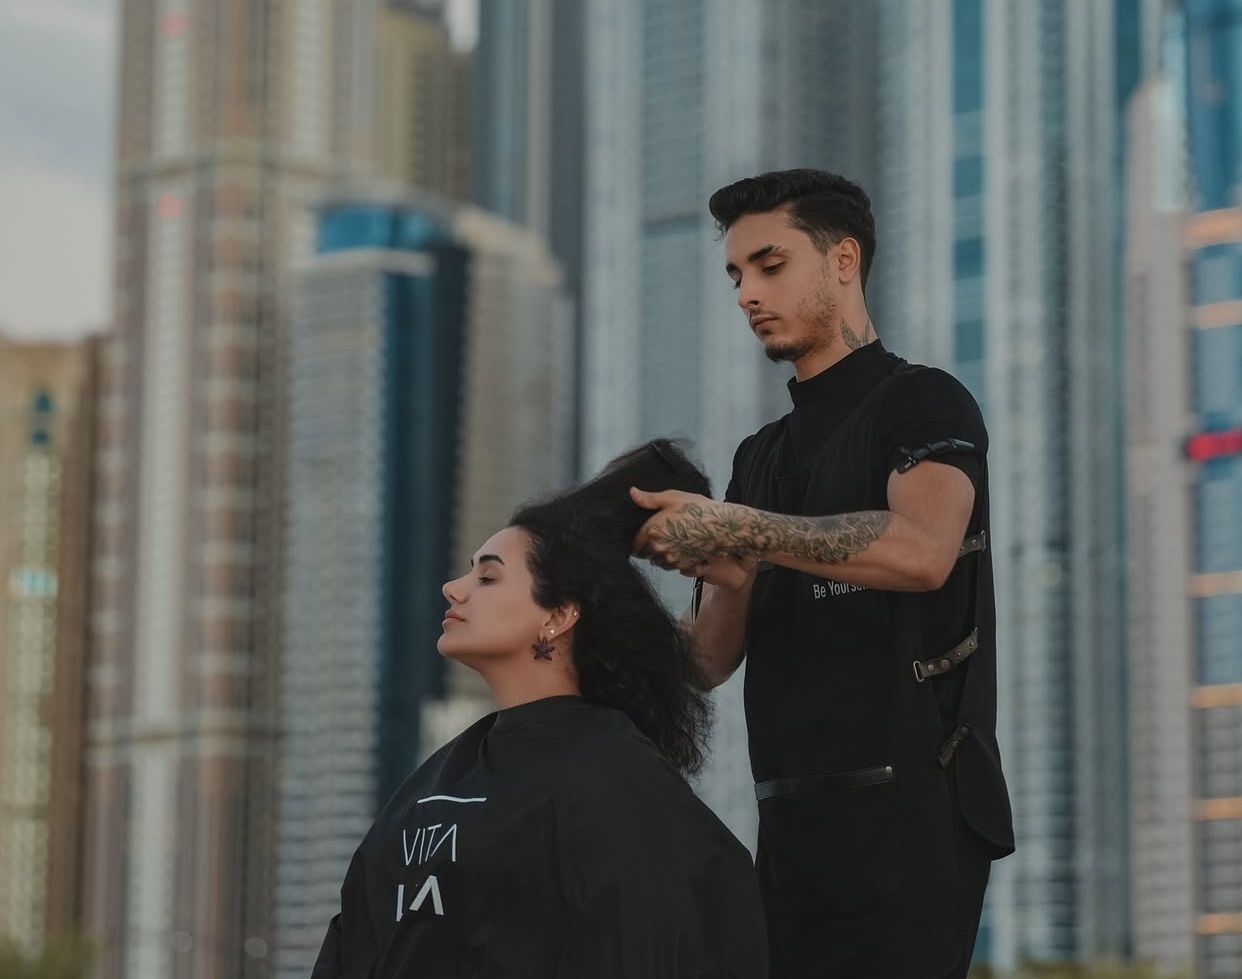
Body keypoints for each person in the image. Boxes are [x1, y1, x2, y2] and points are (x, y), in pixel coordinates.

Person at [632, 170, 1014, 979]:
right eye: (736, 275)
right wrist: (727, 576)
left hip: (911, 816)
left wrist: (742, 528)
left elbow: (923, 551)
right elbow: (706, 661)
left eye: (770, 265)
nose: (747, 293)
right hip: (788, 817)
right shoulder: (758, 456)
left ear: (843, 259)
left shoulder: (927, 403)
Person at [311, 439, 769, 979]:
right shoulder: (433, 783)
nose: (453, 588)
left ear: (559, 615)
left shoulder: (612, 779)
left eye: (487, 576)